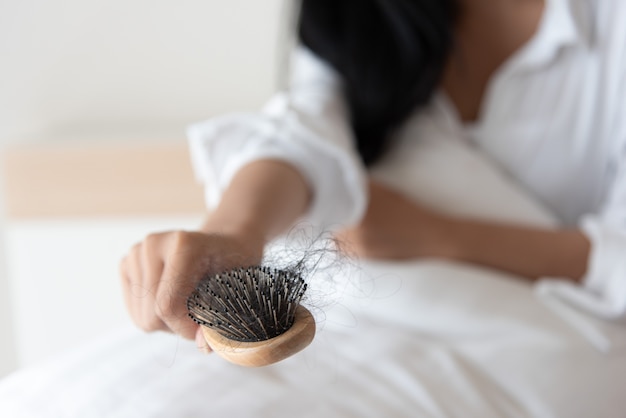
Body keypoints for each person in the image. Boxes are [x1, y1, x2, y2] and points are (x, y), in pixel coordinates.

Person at [120, 0, 626, 354]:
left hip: (543, 337)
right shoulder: (356, 12)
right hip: (355, 326)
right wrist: (233, 232)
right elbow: (304, 133)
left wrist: (436, 234)